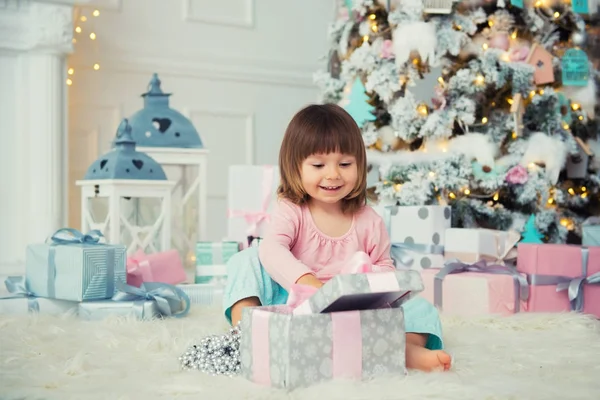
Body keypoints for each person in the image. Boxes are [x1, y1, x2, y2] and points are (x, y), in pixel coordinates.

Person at [223, 103, 451, 372]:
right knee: (247, 259)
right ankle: (249, 334)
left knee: (420, 309)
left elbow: (385, 268)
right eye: (318, 165)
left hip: (352, 310)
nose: (333, 174)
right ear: (295, 167)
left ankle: (402, 348)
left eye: (345, 164)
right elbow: (272, 250)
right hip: (295, 306)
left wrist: (365, 285)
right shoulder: (292, 209)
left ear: (359, 165)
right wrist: (307, 282)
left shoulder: (369, 220)